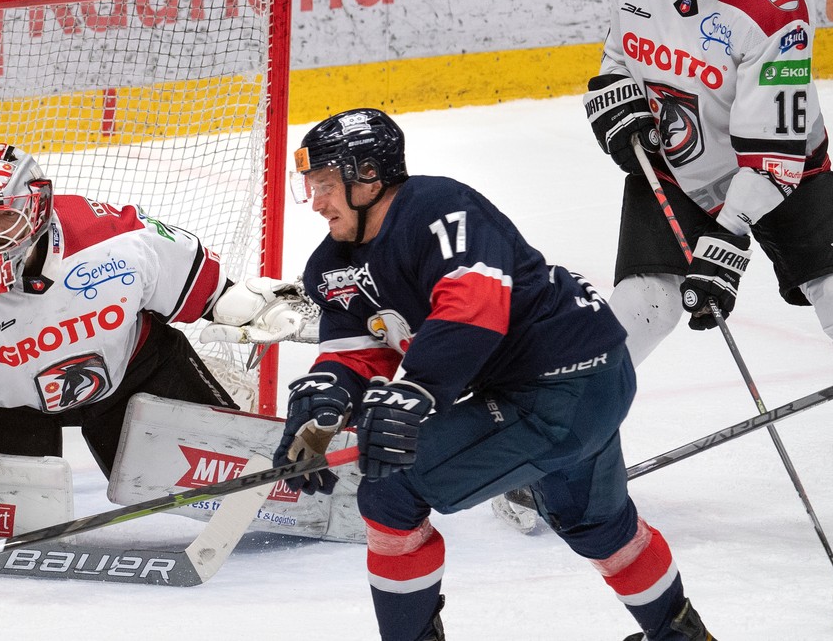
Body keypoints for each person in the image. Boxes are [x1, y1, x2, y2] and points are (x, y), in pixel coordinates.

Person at [273, 108, 715, 641]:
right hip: (583, 377)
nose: (316, 203)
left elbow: (471, 307)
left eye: (324, 184)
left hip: (559, 385)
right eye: (310, 187)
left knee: (391, 493)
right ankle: (684, 637)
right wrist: (323, 402)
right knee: (599, 526)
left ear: (368, 175)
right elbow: (357, 352)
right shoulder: (334, 264)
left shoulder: (438, 208)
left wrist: (412, 393)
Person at [0, 142, 300, 580]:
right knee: (28, 529)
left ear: (38, 207)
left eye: (7, 215)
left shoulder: (116, 238)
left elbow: (205, 285)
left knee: (235, 484)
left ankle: (289, 485)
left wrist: (250, 307)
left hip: (132, 377)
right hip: (6, 410)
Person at [583, 0, 833, 458]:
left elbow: (773, 158)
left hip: (788, 173)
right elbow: (619, 56)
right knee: (642, 305)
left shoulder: (774, 6)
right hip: (676, 169)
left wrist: (724, 245)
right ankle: (554, 441)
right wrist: (613, 97)